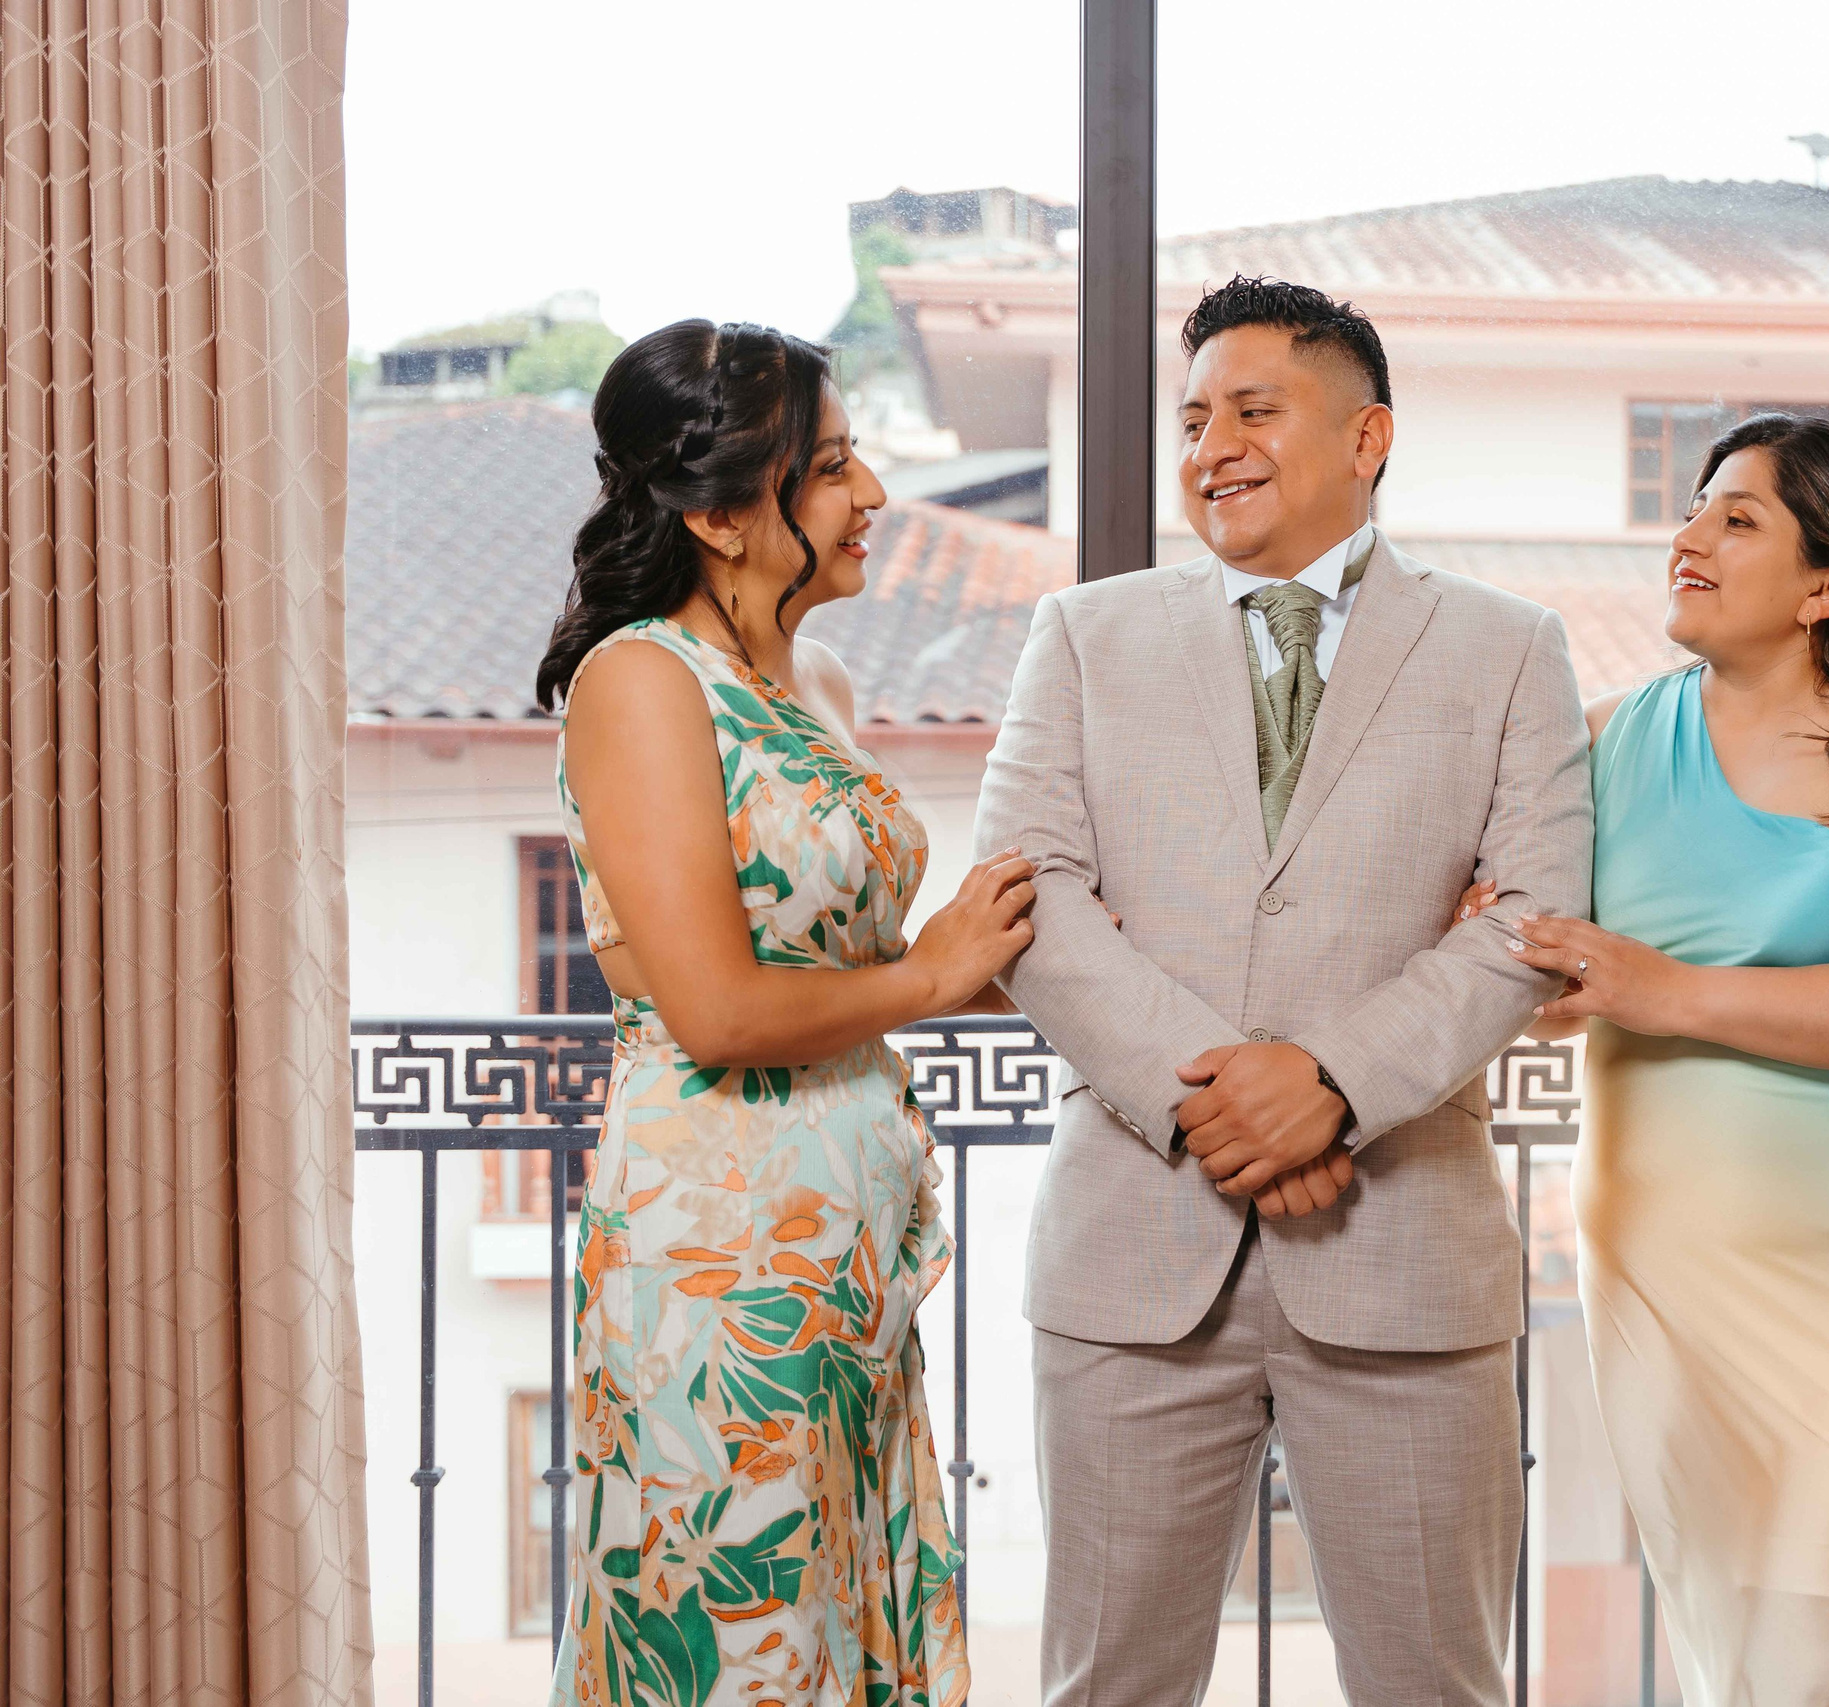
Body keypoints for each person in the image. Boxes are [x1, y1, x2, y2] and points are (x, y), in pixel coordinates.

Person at [973, 276, 1592, 1706]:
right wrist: (1229, 1106)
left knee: (1436, 1689)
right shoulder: (1083, 634)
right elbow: (1025, 898)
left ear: (1368, 437)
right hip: (1133, 1259)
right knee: (1107, 1689)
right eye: (1194, 421)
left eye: (1253, 411)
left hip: (1405, 1256)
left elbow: (1535, 919)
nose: (1212, 449)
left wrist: (1332, 1089)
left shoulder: (1510, 646)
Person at [1490, 413, 1829, 1704]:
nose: (1689, 537)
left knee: (1828, 1658)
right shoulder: (1602, 740)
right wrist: (1526, 966)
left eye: (1738, 519)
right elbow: (1521, 951)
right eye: (1693, 509)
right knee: (1743, 1664)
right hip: (1664, 1281)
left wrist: (1666, 992)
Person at [539, 319, 1029, 1707]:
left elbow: (852, 966)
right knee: (738, 1633)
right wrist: (933, 977)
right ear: (717, 516)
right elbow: (717, 1009)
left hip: (841, 1248)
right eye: (827, 469)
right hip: (721, 1255)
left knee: (832, 1623)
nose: (870, 493)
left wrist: (1033, 954)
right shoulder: (641, 680)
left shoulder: (816, 684)